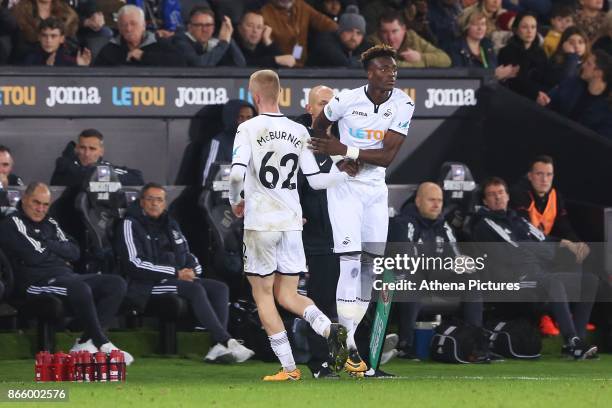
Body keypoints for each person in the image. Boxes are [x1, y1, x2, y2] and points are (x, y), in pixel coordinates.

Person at [228, 69, 350, 381]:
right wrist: (347, 171)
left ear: (256, 97)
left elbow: (237, 174)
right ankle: (327, 327)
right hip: (292, 223)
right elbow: (315, 179)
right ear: (280, 95)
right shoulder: (298, 131)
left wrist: (234, 200)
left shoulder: (248, 128)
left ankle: (289, 368)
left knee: (264, 295)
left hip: (261, 222)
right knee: (289, 294)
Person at [309, 44, 415, 374]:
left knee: (371, 266)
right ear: (369, 73)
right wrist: (339, 160)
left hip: (375, 190)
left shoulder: (403, 103)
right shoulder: (345, 101)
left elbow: (386, 157)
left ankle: (351, 345)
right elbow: (317, 128)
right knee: (351, 263)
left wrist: (347, 149)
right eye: (385, 68)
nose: (392, 73)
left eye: (394, 69)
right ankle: (350, 345)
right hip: (346, 190)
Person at [117, 183, 254, 363]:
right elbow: (134, 264)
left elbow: (188, 255)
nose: (154, 204)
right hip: (143, 285)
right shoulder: (130, 224)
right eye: (150, 199)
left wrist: (192, 271)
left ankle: (218, 347)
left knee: (219, 288)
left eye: (159, 200)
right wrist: (175, 273)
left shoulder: (171, 224)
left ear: (165, 203)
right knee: (194, 290)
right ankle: (226, 340)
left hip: (174, 279)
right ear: (141, 202)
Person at [0, 182, 134, 363]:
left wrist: (47, 244)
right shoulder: (12, 223)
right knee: (79, 288)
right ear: (24, 200)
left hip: (64, 276)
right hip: (36, 283)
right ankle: (101, 342)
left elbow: (74, 252)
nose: (40, 209)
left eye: (45, 205)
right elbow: (33, 256)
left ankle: (85, 342)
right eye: (36, 203)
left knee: (116, 284)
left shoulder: (51, 222)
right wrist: (57, 253)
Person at [471, 177, 599, 360]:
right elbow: (515, 252)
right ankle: (571, 341)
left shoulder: (518, 220)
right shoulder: (483, 225)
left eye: (500, 193)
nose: (497, 198)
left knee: (589, 280)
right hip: (511, 282)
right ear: (485, 201)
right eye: (492, 195)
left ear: (508, 196)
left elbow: (542, 239)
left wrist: (567, 243)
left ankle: (577, 341)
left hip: (536, 277)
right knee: (553, 281)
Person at [389, 182, 486, 360]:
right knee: (411, 277)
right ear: (418, 201)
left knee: (470, 276)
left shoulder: (444, 225)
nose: (436, 205)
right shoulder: (404, 223)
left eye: (440, 200)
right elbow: (403, 258)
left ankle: (474, 343)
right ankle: (406, 345)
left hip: (435, 278)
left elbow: (455, 256)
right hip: (407, 278)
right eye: (431, 200)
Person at [538, 49, 612, 138]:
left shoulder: (608, 106)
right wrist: (543, 102)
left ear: (598, 73)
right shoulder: (572, 83)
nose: (583, 65)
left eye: (588, 64)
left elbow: (601, 141)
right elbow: (550, 101)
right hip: (550, 133)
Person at [93, 4, 186, 67]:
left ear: (143, 25)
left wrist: (144, 56)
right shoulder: (109, 49)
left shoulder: (159, 43)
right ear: (119, 28)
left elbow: (180, 62)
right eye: (124, 24)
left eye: (133, 24)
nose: (128, 29)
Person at [50, 128, 144, 188]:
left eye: (92, 149)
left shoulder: (105, 167)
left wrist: (102, 174)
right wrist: (106, 176)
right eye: (83, 148)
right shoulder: (64, 165)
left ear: (101, 151)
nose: (87, 154)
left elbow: (137, 177)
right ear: (77, 149)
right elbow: (79, 176)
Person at [260, 0, 338, 67]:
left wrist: (342, 32)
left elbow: (322, 21)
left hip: (302, 66)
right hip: (280, 67)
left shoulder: (301, 6)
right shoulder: (264, 13)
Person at [200, 100, 256, 185]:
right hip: (226, 196)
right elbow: (207, 179)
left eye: (249, 117)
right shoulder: (218, 143)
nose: (245, 122)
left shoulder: (258, 142)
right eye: (241, 117)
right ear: (231, 118)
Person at [369, 11, 451, 68]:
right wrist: (419, 64)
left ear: (404, 29)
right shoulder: (372, 43)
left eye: (394, 31)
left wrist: (421, 57)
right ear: (379, 32)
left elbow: (446, 60)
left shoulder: (413, 38)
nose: (390, 37)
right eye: (385, 32)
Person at [497, 12, 549, 101]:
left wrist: (541, 94)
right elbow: (515, 82)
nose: (530, 31)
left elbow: (545, 78)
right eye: (525, 27)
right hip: (513, 98)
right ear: (516, 29)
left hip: (539, 97)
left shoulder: (541, 53)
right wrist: (536, 94)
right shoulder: (506, 51)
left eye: (533, 27)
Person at [172, 6, 246, 67]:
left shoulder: (216, 42)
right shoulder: (180, 40)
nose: (205, 29)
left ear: (214, 28)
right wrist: (223, 44)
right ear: (190, 27)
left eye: (208, 25)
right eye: (199, 25)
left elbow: (240, 64)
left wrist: (228, 36)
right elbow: (199, 65)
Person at [23, 17, 91, 66]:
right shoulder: (29, 59)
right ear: (39, 37)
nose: (48, 40)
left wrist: (81, 68)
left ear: (62, 39)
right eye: (44, 35)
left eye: (53, 36)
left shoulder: (71, 61)